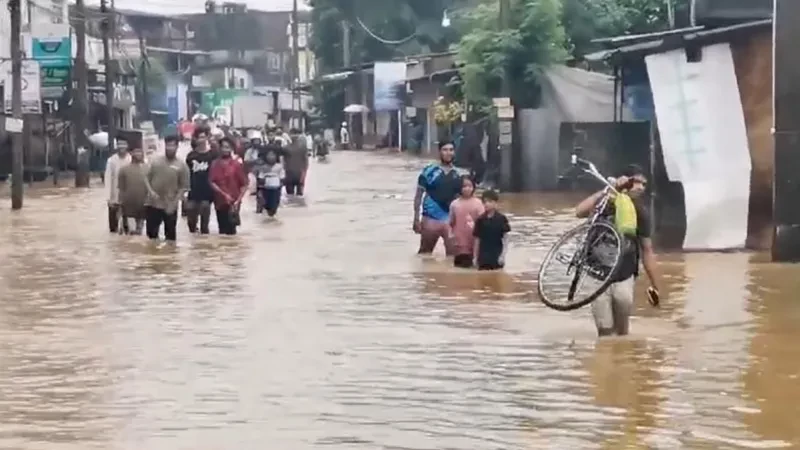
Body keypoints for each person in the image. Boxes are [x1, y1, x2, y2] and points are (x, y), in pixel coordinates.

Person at [574, 164, 662, 337]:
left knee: (622, 331)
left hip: (624, 274)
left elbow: (647, 250)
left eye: (644, 184)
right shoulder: (605, 201)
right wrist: (609, 189)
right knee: (605, 331)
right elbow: (579, 211)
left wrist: (655, 285)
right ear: (625, 181)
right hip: (596, 272)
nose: (641, 188)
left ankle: (622, 359)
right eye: (637, 182)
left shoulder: (640, 212)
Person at [412, 141, 462, 255]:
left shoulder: (459, 174)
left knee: (453, 256)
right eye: (445, 150)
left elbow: (463, 199)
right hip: (430, 217)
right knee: (424, 254)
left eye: (451, 150)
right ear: (439, 152)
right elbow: (418, 196)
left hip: (450, 220)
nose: (448, 153)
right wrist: (416, 219)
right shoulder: (429, 171)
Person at [145, 136, 190, 242]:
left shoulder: (182, 165)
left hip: (170, 205)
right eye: (168, 145)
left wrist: (174, 204)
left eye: (172, 145)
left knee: (170, 238)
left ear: (177, 147)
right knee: (151, 237)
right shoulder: (155, 161)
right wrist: (150, 192)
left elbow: (184, 187)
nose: (169, 148)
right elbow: (146, 178)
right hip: (153, 204)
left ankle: (170, 257)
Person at [209, 137, 248, 235]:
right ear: (219, 148)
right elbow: (212, 182)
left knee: (231, 231)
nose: (225, 150)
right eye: (223, 147)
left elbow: (244, 184)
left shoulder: (236, 165)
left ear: (231, 149)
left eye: (227, 147)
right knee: (222, 230)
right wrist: (223, 194)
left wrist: (238, 200)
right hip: (220, 202)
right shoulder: (215, 164)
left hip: (234, 203)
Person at [184, 126, 218, 234]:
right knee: (191, 222)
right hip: (193, 191)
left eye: (204, 137)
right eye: (199, 137)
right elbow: (186, 174)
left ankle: (204, 245)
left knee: (204, 224)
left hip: (207, 192)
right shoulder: (191, 156)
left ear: (207, 138)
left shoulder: (212, 155)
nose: (202, 140)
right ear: (195, 139)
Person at [449, 176, 485, 268]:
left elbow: (483, 222)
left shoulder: (478, 203)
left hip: (475, 241)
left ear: (473, 187)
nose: (467, 189)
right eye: (464, 186)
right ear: (459, 188)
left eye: (470, 186)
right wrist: (451, 237)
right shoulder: (454, 204)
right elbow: (451, 223)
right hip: (460, 242)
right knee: (460, 267)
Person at [472, 190, 511, 270]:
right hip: (483, 257)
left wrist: (502, 256)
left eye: (489, 201)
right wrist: (475, 257)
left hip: (497, 256)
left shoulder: (502, 219)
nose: (486, 204)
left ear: (495, 203)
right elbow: (477, 240)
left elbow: (506, 239)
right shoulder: (480, 220)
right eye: (484, 202)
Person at [117, 146, 150, 235]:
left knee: (139, 232)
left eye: (140, 152)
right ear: (131, 154)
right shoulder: (123, 170)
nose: (138, 154)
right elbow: (121, 188)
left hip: (143, 205)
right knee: (131, 233)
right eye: (136, 152)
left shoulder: (148, 169)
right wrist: (120, 206)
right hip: (128, 206)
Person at [103, 139, 130, 233]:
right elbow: (108, 179)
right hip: (114, 198)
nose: (121, 146)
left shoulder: (131, 159)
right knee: (113, 227)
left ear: (127, 145)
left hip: (128, 198)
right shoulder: (111, 161)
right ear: (116, 146)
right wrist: (108, 198)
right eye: (119, 144)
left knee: (128, 227)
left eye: (123, 144)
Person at [253, 148, 284, 217]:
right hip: (266, 188)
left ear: (276, 157)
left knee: (275, 204)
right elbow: (261, 178)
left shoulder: (279, 167)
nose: (271, 157)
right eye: (269, 155)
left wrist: (281, 184)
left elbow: (282, 177)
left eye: (273, 155)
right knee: (267, 205)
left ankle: (272, 215)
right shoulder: (263, 167)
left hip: (276, 188)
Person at [283, 130, 309, 196]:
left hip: (299, 172)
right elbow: (283, 160)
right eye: (292, 134)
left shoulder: (302, 147)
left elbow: (306, 159)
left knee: (299, 193)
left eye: (295, 134)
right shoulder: (286, 148)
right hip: (289, 172)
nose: (294, 136)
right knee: (290, 193)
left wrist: (305, 170)